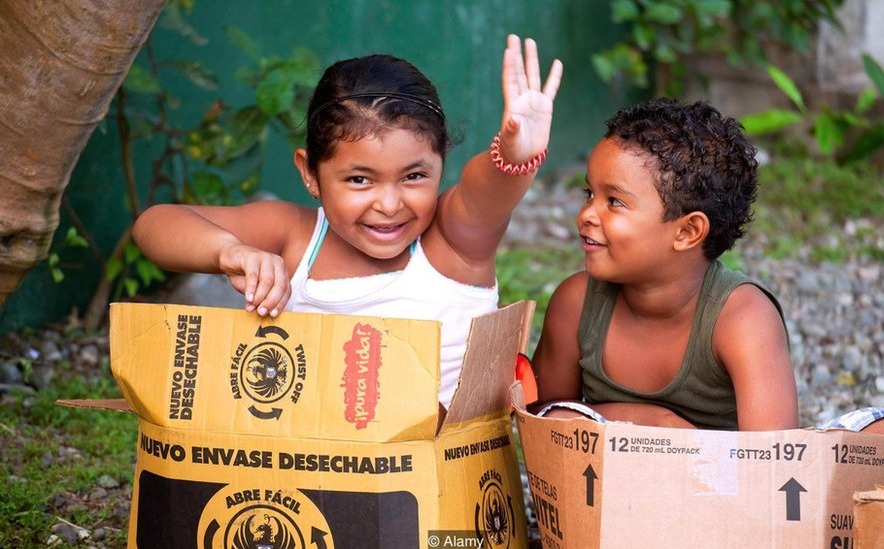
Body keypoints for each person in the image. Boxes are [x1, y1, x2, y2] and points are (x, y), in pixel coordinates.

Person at [132, 35, 562, 411]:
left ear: (440, 165)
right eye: (360, 179)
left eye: (414, 176)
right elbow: (155, 225)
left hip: (437, 482)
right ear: (309, 174)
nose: (390, 204)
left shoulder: (453, 241)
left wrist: (515, 158)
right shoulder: (296, 236)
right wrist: (228, 250)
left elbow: (489, 192)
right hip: (320, 474)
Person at [530, 97, 884, 437]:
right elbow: (544, 424)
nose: (586, 214)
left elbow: (772, 460)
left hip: (727, 492)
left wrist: (681, 445)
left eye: (613, 202)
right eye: (589, 193)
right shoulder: (577, 303)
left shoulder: (740, 317)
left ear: (687, 232)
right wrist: (655, 423)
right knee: (564, 419)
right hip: (615, 492)